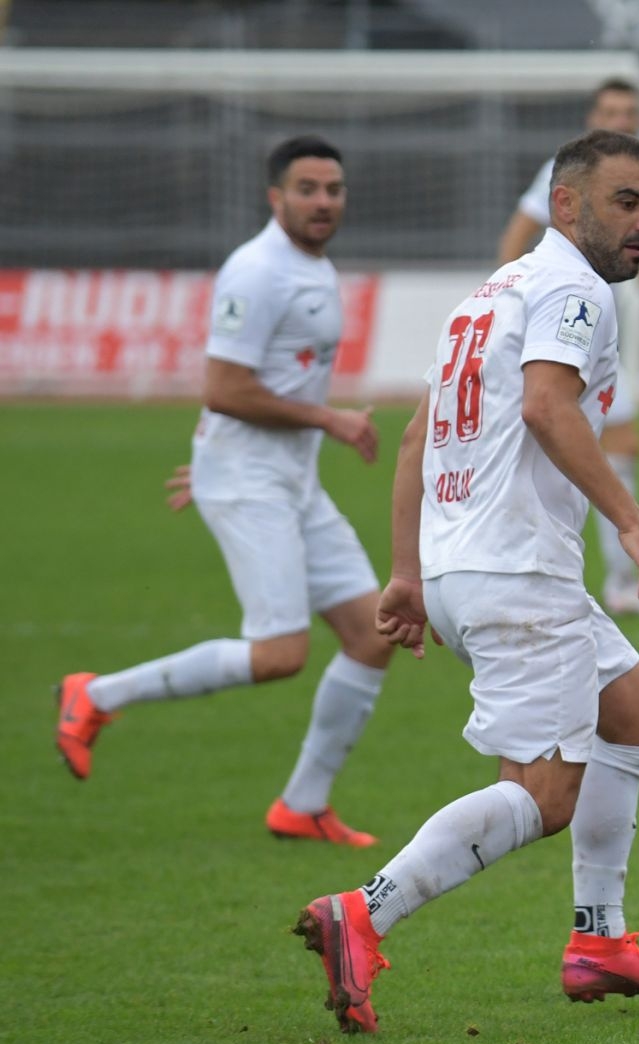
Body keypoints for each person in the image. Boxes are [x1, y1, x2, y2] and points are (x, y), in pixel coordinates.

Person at [293, 130, 639, 1035]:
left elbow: (412, 439)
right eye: (626, 202)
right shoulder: (574, 291)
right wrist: (633, 524)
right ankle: (363, 912)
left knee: (630, 709)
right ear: (567, 205)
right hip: (518, 573)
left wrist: (406, 574)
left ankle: (599, 941)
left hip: (471, 565)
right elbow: (550, 405)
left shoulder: (491, 293)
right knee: (544, 794)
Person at [54, 135, 390, 847]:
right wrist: (316, 425)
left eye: (333, 189)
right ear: (276, 197)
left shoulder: (314, 265)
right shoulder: (256, 270)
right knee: (279, 655)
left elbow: (246, 392)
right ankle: (96, 694)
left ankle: (302, 804)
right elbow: (224, 387)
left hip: (282, 479)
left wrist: (215, 458)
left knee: (371, 633)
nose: (323, 201)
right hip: (252, 478)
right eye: (307, 189)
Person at [497, 77, 639, 617]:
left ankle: (618, 581)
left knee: (615, 444)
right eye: (610, 110)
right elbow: (519, 229)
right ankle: (613, 574)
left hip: (596, 330)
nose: (620, 118)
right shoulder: (569, 173)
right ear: (593, 114)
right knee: (567, 431)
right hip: (561, 327)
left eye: (629, 111)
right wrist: (502, 288)